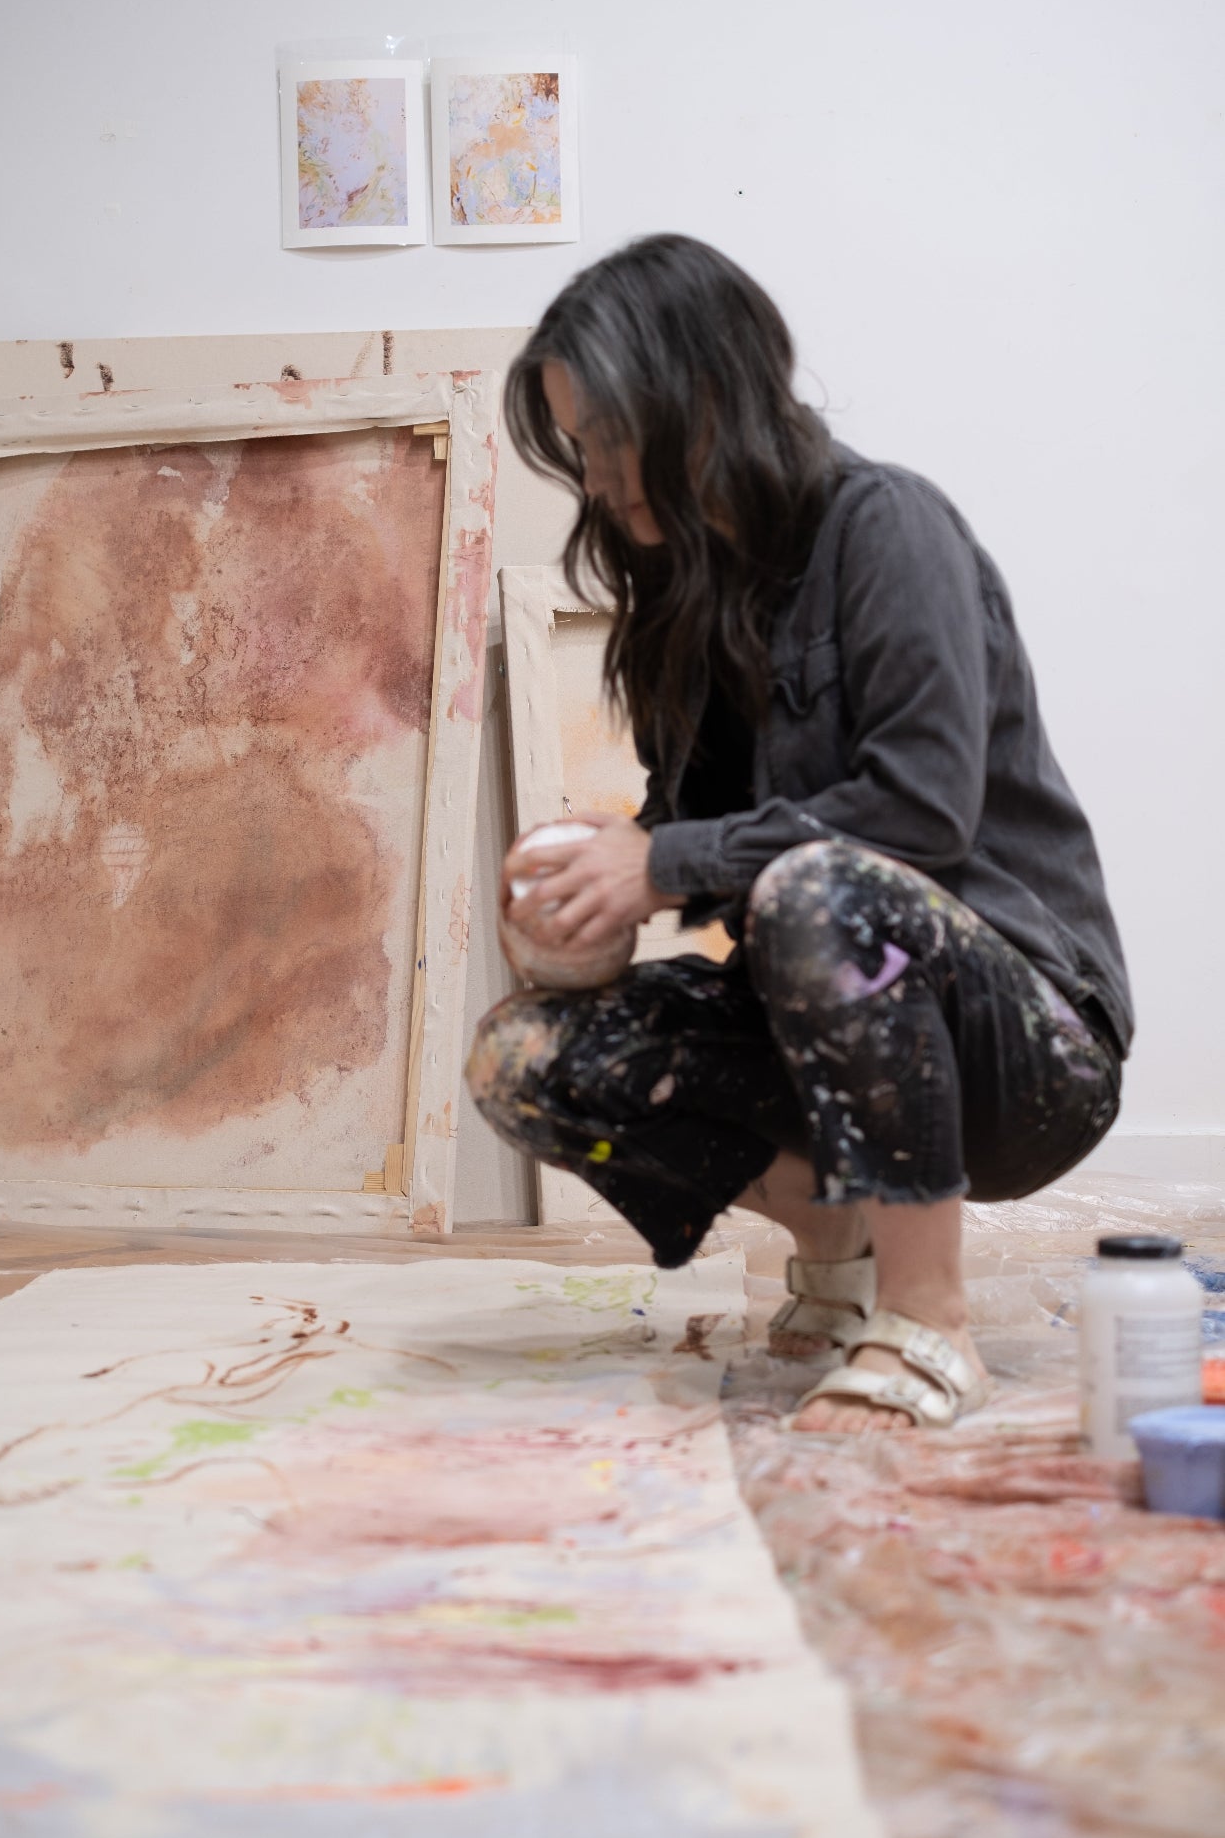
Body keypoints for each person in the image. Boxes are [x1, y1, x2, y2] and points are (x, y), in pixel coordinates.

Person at [467, 233, 1130, 1433]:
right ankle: (842, 1240)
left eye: (611, 435)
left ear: (704, 395)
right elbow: (708, 838)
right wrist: (592, 890)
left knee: (824, 889)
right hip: (843, 1027)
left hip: (1030, 1053)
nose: (597, 472)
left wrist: (659, 862)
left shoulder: (888, 526)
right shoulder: (686, 589)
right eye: (580, 444)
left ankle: (930, 1326)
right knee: (523, 1058)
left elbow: (920, 816)